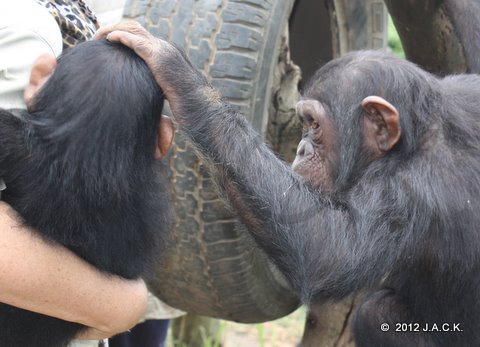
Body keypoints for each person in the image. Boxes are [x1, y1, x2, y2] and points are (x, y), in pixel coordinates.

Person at [0, 0, 148, 343]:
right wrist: (124, 303)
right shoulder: (26, 28)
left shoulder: (17, 143)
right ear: (161, 140)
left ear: (39, 82)